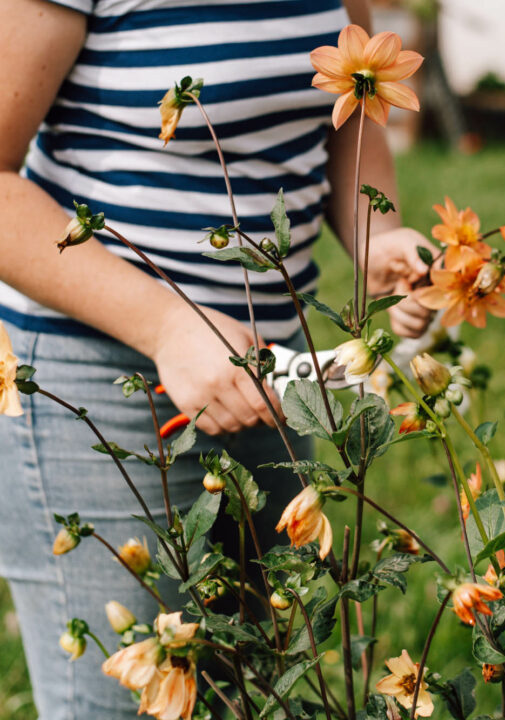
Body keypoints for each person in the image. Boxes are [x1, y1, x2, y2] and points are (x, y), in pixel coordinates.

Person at [0, 0, 433, 717]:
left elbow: (353, 92)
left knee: (258, 690)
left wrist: (374, 237)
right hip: (104, 383)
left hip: (273, 371)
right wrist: (170, 327)